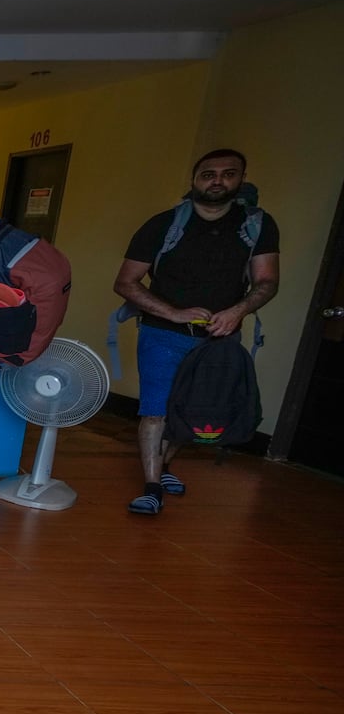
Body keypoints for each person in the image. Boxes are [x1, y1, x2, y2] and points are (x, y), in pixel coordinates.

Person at [112, 149, 279, 515]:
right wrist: (172, 312)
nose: (217, 180)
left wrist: (238, 311)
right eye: (208, 174)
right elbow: (126, 282)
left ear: (240, 179)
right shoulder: (162, 225)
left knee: (195, 408)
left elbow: (266, 282)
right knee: (156, 410)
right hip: (161, 333)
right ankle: (152, 486)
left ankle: (165, 464)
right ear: (194, 180)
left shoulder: (256, 226)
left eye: (227, 173)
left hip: (219, 337)